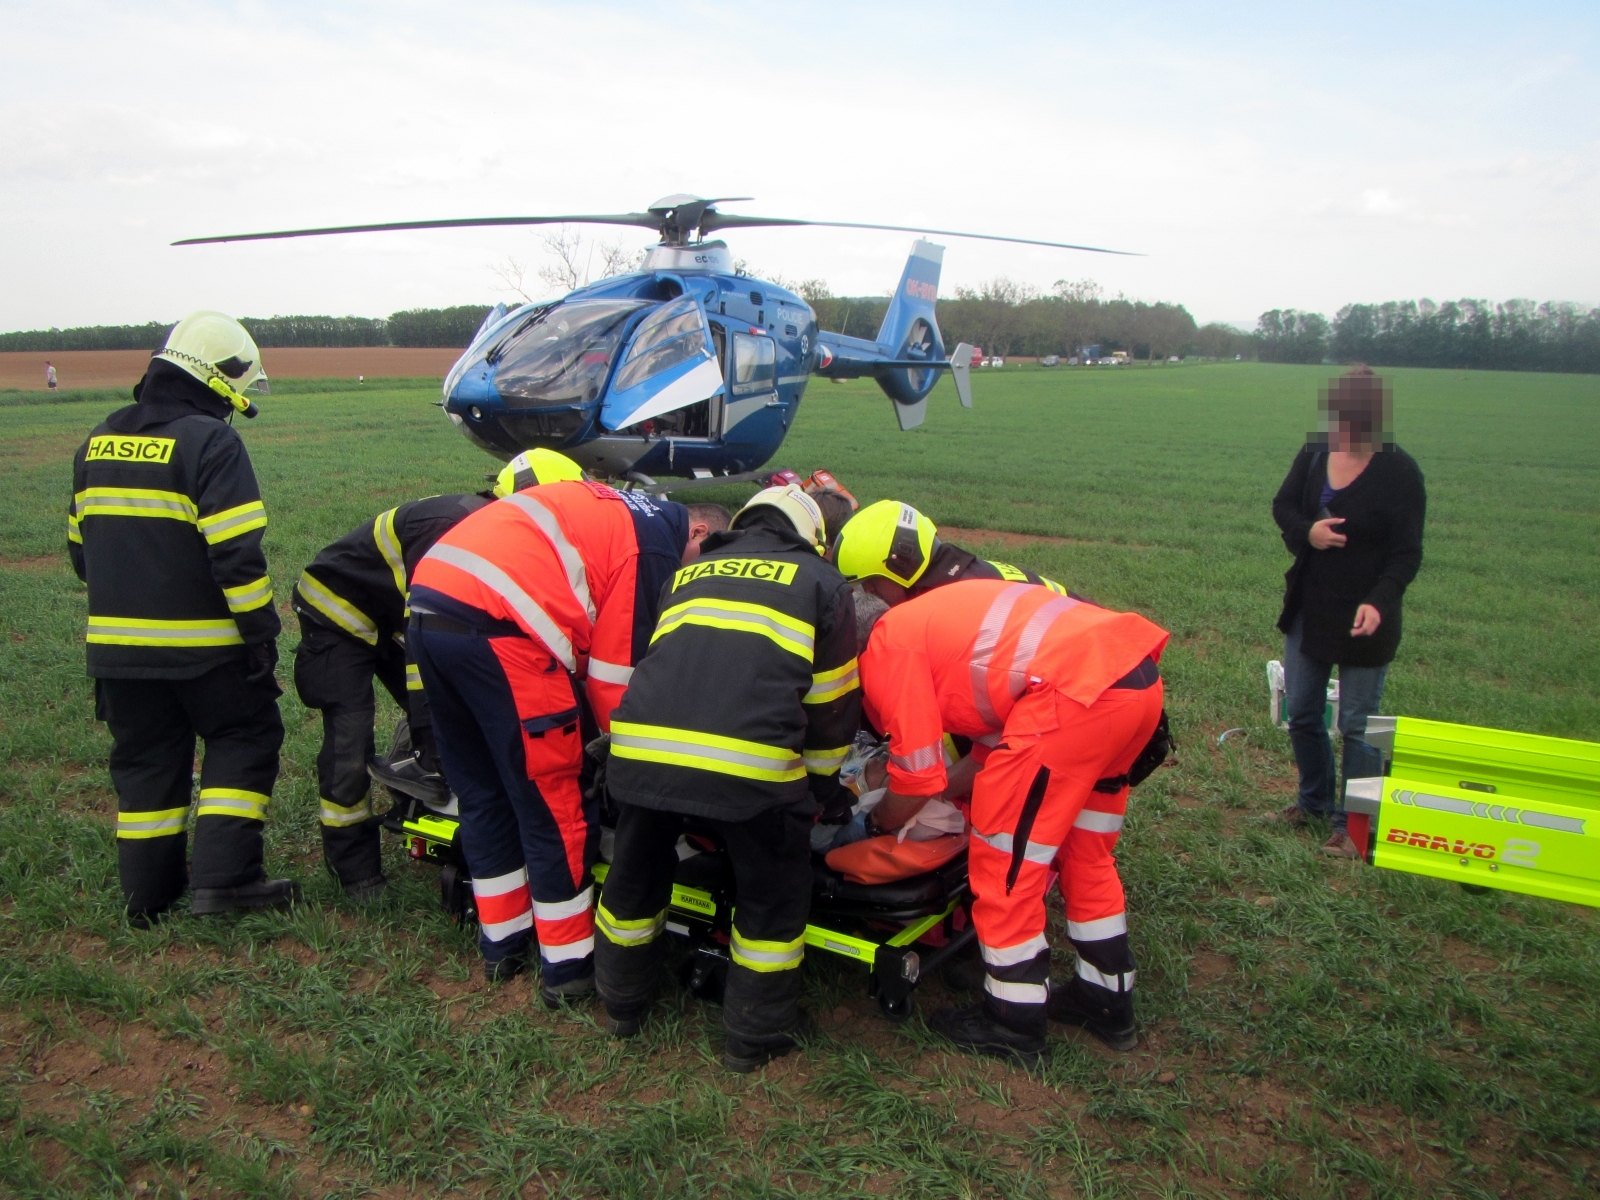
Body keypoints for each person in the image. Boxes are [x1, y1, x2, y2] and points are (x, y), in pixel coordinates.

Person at [407, 478, 724, 1003]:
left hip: (430, 604)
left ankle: (502, 943)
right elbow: (612, 680)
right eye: (696, 566)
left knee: (484, 791)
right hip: (503, 629)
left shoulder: (624, 509)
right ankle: (568, 967)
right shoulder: (655, 547)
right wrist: (635, 763)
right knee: (555, 802)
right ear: (698, 531)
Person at [594, 485, 860, 1071]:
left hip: (641, 755)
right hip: (750, 770)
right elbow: (832, 706)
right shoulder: (822, 583)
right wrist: (821, 791)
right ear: (813, 538)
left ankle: (621, 1004)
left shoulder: (687, 574)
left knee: (634, 876)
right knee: (773, 894)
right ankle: (754, 1036)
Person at [858, 579, 1169, 1065]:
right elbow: (979, 759)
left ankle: (1012, 1019)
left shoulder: (885, 648)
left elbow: (916, 776)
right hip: (1130, 680)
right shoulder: (934, 627)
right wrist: (935, 792)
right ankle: (1105, 997)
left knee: (1004, 859)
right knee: (1085, 854)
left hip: (1074, 699)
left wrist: (876, 822)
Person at [69, 311, 293, 926]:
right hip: (207, 654)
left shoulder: (96, 441)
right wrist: (261, 637)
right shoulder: (211, 442)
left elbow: (82, 556)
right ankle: (227, 883)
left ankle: (147, 897)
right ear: (218, 380)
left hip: (116, 657)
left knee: (146, 763)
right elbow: (237, 558)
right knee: (244, 737)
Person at [290, 449, 585, 900]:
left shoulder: (494, 528)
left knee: (441, 708)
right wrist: (438, 742)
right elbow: (423, 648)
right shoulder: (454, 528)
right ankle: (354, 869)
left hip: (388, 615)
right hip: (337, 616)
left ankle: (422, 781)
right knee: (350, 740)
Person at [1270, 367, 1425, 859]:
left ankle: (1352, 826)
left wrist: (1380, 601)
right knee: (1303, 712)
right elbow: (1283, 506)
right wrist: (1308, 532)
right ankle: (1313, 802)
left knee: (1358, 725)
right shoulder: (1316, 452)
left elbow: (1407, 552)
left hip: (1366, 617)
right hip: (1310, 605)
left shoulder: (1400, 473)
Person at [832, 499, 1072, 605]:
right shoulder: (956, 573)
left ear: (903, 564)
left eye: (872, 582)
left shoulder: (958, 601)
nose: (868, 591)